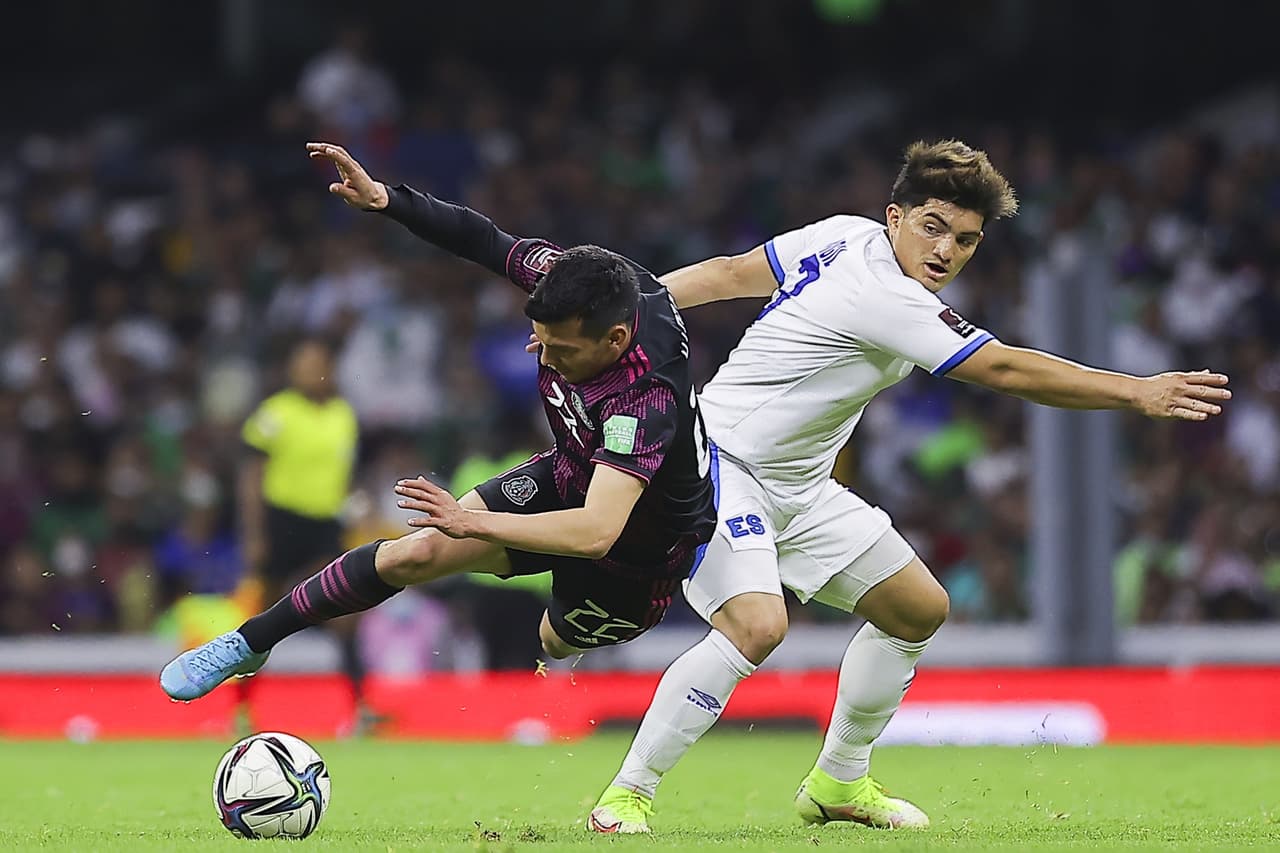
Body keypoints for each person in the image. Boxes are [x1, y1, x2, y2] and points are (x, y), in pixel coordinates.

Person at [585, 140, 1231, 833]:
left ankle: (839, 780)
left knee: (917, 607)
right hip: (717, 466)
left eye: (966, 240)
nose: (947, 251)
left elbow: (724, 274)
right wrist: (1135, 391)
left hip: (798, 486)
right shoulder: (888, 296)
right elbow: (1006, 370)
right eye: (933, 227)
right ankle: (626, 794)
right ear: (895, 215)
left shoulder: (841, 235)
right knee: (756, 624)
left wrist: (616, 312)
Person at [159, 142, 716, 703]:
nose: (545, 360)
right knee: (414, 551)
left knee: (556, 638)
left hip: (638, 550)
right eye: (541, 342)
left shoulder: (643, 400)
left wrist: (470, 522)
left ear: (615, 340)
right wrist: (385, 200)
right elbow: (483, 239)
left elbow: (597, 531)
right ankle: (249, 642)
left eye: (563, 350)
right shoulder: (574, 285)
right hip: (571, 472)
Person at [236, 339, 374, 728]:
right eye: (303, 363)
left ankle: (360, 708)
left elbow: (347, 476)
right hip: (281, 523)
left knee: (347, 609)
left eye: (317, 362)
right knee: (263, 616)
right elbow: (250, 475)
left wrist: (358, 516)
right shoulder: (275, 413)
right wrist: (255, 534)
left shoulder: (344, 416)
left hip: (326, 526)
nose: (310, 370)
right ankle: (243, 706)